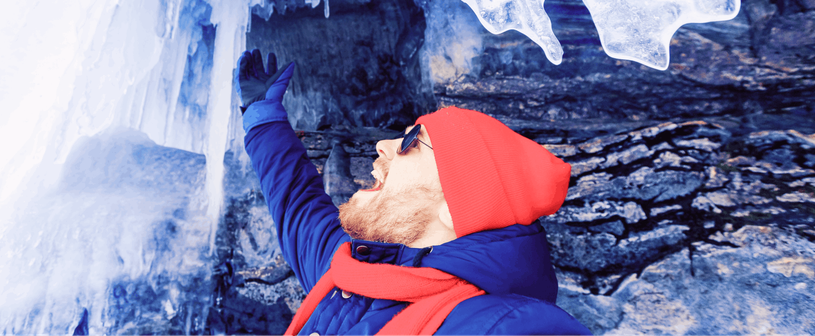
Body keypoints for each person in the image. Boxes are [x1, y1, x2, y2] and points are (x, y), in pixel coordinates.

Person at [236, 49, 591, 335]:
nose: (382, 145)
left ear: (458, 208)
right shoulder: (355, 271)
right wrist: (262, 116)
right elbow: (299, 207)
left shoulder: (503, 324)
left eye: (411, 142)